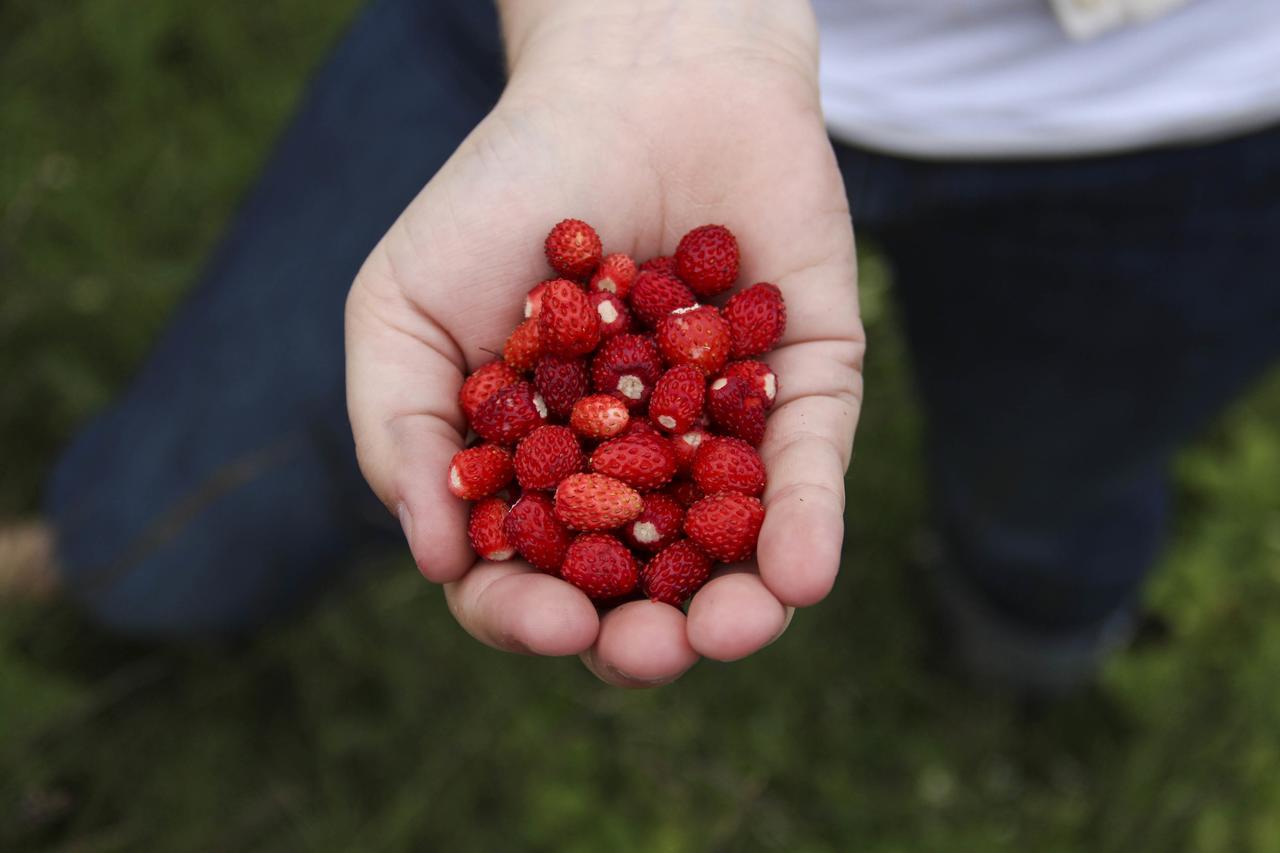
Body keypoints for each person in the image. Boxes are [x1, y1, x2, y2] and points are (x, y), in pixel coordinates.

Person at [5, 0, 1279, 693]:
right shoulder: (623, 379)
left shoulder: (644, 388)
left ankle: (1032, 636)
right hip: (589, 33)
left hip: (1201, 112)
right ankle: (125, 563)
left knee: (1052, 472)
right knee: (205, 496)